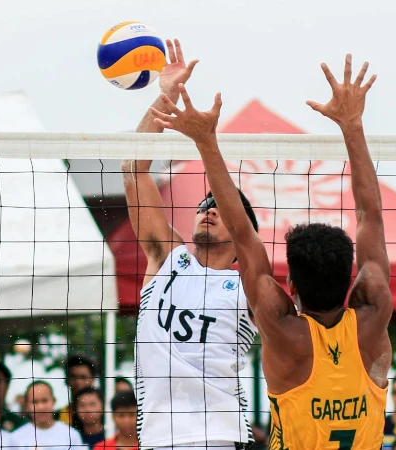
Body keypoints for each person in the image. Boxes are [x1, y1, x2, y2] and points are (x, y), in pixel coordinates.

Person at [150, 53, 392, 448]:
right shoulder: (374, 317)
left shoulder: (284, 333)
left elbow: (245, 237)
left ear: (290, 284)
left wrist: (206, 143)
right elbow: (372, 216)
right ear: (352, 278)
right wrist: (352, 125)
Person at [122, 38, 258, 450]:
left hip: (220, 437)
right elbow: (132, 167)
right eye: (204, 204)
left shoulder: (252, 284)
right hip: (158, 439)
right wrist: (165, 95)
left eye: (220, 208)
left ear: (241, 230)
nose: (208, 210)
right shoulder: (168, 257)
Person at [11, 381, 85, 450]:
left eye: (44, 401)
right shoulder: (16, 437)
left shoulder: (71, 435)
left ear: (53, 401)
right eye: (34, 402)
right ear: (27, 405)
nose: (40, 407)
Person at [57, 355, 98, 425]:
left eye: (83, 377)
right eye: (73, 377)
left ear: (93, 379)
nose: (78, 382)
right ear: (66, 380)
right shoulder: (57, 417)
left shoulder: (107, 416)